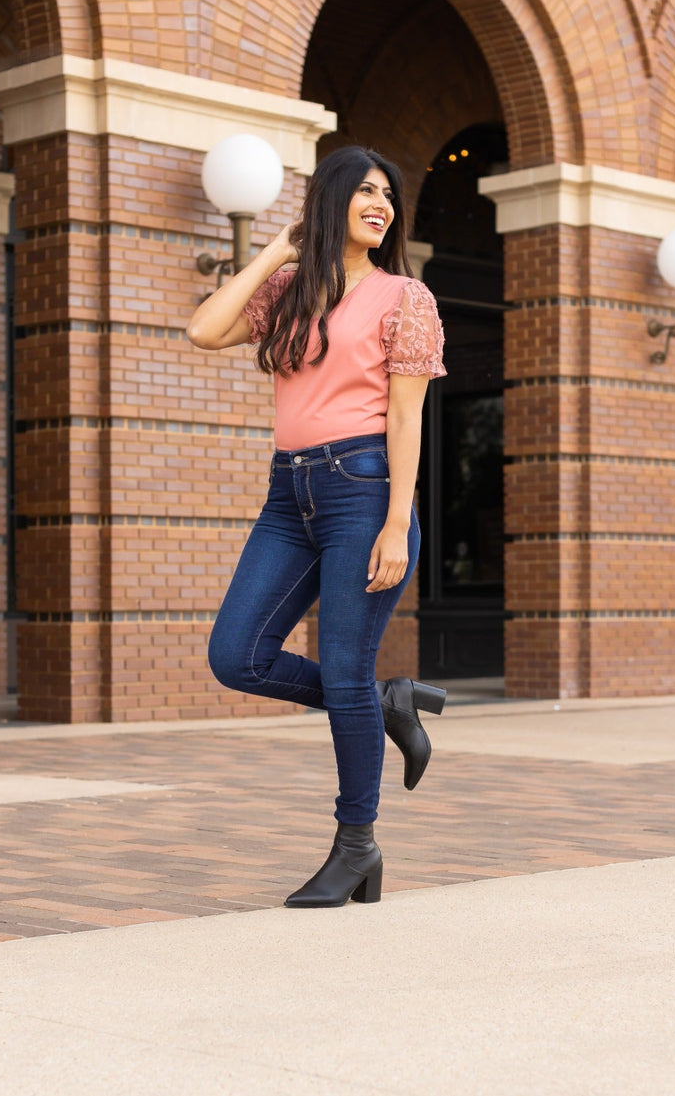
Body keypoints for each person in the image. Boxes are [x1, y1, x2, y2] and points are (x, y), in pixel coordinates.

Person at [187, 145, 447, 908]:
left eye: (388, 194)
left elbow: (406, 416)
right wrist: (277, 247)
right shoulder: (289, 293)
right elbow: (203, 330)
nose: (381, 204)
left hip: (364, 492)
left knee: (340, 665)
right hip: (287, 495)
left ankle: (356, 844)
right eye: (364, 190)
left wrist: (397, 522)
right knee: (237, 654)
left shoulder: (406, 297)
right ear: (330, 202)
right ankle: (384, 699)